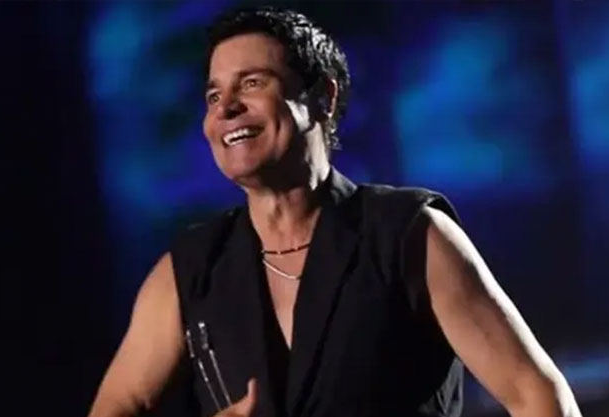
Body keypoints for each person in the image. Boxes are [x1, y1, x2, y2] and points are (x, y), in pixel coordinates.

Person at [88, 6, 582, 417]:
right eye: (214, 95)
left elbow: (537, 396)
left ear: (322, 98)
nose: (225, 108)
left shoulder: (408, 235)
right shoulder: (189, 270)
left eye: (252, 83)